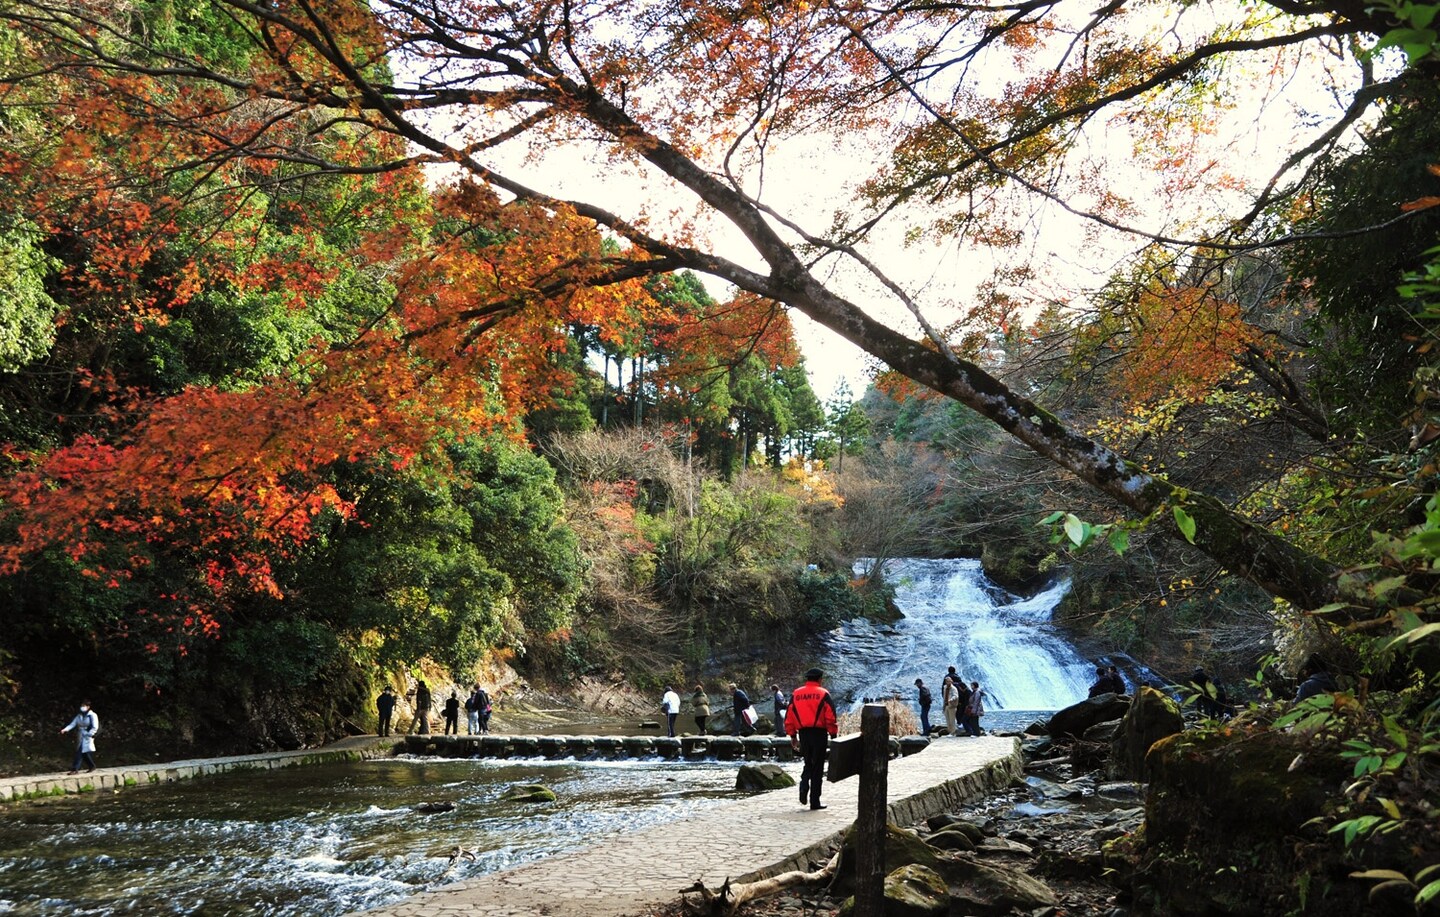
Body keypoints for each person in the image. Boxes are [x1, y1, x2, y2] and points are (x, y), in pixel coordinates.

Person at [784, 667, 837, 810]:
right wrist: (833, 734)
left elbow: (789, 716)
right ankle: (815, 801)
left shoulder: (796, 694)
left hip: (803, 733)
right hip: (819, 734)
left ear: (807, 679)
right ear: (820, 679)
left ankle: (803, 785)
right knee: (817, 767)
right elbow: (830, 717)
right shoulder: (823, 694)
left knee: (807, 762)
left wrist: (793, 735)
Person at [60, 700, 100, 774]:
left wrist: (90, 734)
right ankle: (92, 766)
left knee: (80, 751)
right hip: (80, 735)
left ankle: (74, 769)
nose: (82, 708)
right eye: (82, 706)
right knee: (84, 753)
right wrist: (65, 729)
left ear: (88, 707)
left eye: (84, 706)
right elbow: (73, 724)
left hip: (88, 735)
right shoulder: (79, 716)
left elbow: (95, 726)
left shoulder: (92, 715)